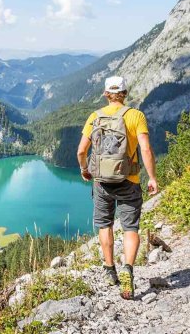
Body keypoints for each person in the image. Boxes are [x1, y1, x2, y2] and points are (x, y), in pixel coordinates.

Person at [76, 76, 159, 300]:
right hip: (128, 180)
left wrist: (85, 170)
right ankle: (128, 269)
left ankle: (109, 269)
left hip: (101, 181)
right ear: (125, 93)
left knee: (105, 224)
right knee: (130, 228)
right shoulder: (135, 116)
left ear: (105, 94)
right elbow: (146, 150)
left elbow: (81, 151)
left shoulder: (95, 116)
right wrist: (152, 177)